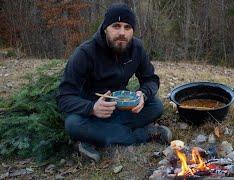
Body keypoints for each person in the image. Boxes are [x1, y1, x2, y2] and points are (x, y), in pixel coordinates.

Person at [56, 3, 172, 162]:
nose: (122, 33)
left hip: (120, 108)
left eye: (127, 27)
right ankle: (144, 134)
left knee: (156, 106)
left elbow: (151, 79)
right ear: (105, 28)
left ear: (133, 30)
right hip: (91, 114)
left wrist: (143, 94)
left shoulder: (137, 48)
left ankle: (93, 139)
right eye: (116, 26)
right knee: (73, 125)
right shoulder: (85, 53)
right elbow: (63, 98)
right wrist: (92, 108)